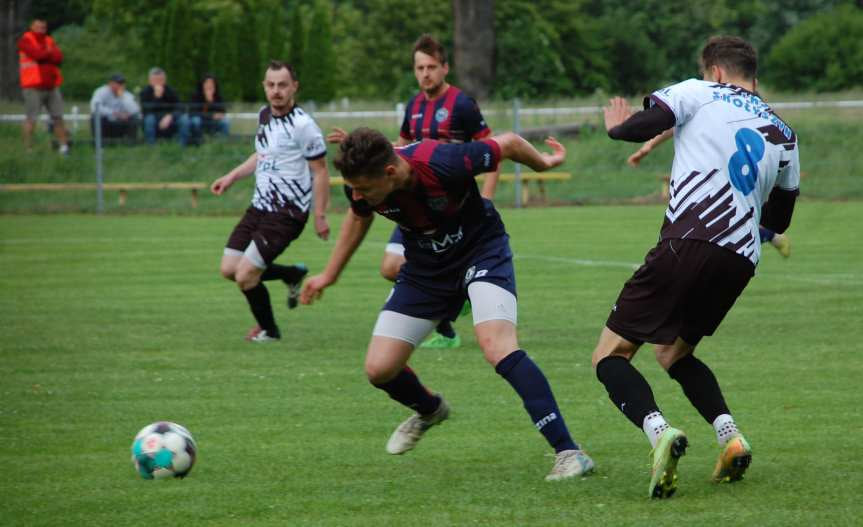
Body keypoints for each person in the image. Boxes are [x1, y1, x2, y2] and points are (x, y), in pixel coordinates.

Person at [301, 127, 595, 481]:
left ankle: (569, 452)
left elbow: (510, 143)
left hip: (481, 251)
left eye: (364, 188)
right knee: (379, 369)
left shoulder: (442, 162)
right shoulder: (365, 184)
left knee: (496, 346)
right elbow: (358, 217)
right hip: (426, 270)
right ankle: (430, 410)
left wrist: (544, 164)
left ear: (390, 173)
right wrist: (329, 275)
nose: (357, 195)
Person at [594, 36, 800, 498]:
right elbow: (780, 219)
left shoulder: (697, 90)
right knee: (672, 353)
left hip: (689, 241)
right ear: (753, 77)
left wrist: (616, 127)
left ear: (717, 72)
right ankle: (731, 437)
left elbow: (645, 124)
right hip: (741, 258)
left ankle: (659, 432)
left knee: (609, 355)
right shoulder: (784, 132)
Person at [327, 34, 500, 350]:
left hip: (453, 205)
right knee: (389, 268)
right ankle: (455, 296)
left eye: (431, 66)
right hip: (409, 201)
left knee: (409, 266)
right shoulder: (414, 105)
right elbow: (398, 150)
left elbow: (491, 150)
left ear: (445, 68)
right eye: (420, 67)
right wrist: (356, 145)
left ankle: (447, 319)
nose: (425, 73)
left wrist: (486, 196)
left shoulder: (462, 104)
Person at [210, 60, 330, 342]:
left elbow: (321, 171)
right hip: (259, 207)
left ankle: (269, 331)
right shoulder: (264, 115)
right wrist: (231, 176)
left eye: (282, 85)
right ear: (265, 86)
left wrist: (320, 214)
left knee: (245, 276)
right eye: (271, 85)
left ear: (294, 87)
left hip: (286, 213)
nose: (276, 91)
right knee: (230, 269)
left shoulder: (304, 126)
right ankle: (290, 274)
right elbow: (262, 155)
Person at [627, 128, 791, 257]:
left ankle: (768, 236)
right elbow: (672, 123)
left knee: (722, 227)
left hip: (734, 174)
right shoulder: (704, 98)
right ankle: (770, 236)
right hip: (707, 175)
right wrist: (648, 146)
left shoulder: (745, 104)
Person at [17, 17, 69, 155]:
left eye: (44, 28)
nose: (42, 30)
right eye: (38, 27)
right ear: (32, 27)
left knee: (58, 117)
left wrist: (47, 54)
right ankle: (28, 149)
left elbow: (59, 58)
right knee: (31, 118)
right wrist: (48, 53)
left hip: (52, 86)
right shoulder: (25, 40)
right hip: (33, 86)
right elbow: (36, 55)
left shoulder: (49, 40)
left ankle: (64, 148)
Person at [139, 67, 190, 146]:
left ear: (164, 80)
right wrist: (156, 97)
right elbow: (145, 110)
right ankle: (151, 147)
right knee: (149, 119)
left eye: (160, 80)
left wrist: (170, 116)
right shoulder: (145, 92)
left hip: (169, 118)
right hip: (153, 118)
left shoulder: (170, 90)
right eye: (155, 80)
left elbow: (180, 107)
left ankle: (182, 146)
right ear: (150, 81)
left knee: (184, 119)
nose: (158, 83)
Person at [89, 74, 141, 142]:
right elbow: (94, 107)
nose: (120, 85)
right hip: (106, 121)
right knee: (95, 116)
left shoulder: (126, 95)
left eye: (122, 83)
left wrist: (122, 97)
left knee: (135, 117)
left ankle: (130, 142)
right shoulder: (101, 91)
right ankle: (99, 142)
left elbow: (135, 110)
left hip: (120, 122)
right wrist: (115, 113)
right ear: (110, 83)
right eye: (118, 83)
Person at [188, 74, 230, 142]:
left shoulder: (218, 96)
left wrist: (212, 102)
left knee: (225, 121)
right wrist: (211, 115)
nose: (209, 86)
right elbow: (193, 112)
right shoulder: (196, 96)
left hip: (213, 122)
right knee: (196, 121)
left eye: (211, 83)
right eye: (207, 83)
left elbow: (222, 112)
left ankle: (222, 143)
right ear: (203, 85)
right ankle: (197, 142)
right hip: (201, 120)